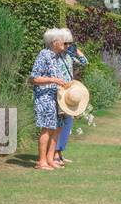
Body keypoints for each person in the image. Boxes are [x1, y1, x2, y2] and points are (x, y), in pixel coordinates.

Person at [30, 28, 75, 171]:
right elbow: (34, 78)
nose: (64, 43)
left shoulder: (57, 57)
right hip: (45, 98)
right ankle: (41, 161)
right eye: (62, 40)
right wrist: (54, 80)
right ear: (54, 42)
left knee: (58, 127)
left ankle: (50, 159)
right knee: (47, 128)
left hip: (56, 98)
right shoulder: (44, 55)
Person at [53, 28, 88, 167]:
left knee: (67, 124)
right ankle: (55, 154)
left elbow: (84, 62)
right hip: (60, 92)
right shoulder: (54, 56)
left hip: (70, 93)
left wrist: (76, 49)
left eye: (69, 43)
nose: (67, 46)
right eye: (66, 43)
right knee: (59, 125)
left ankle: (60, 152)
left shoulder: (68, 56)